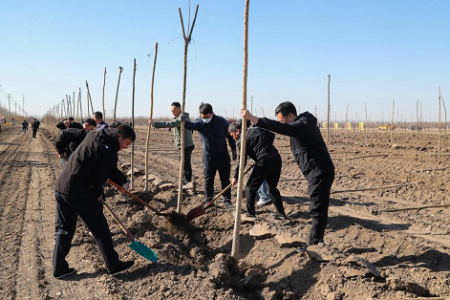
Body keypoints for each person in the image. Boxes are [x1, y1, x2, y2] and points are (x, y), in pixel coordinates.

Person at [241, 102, 335, 246]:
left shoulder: (302, 125)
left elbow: (279, 128)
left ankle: (315, 243)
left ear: (291, 116)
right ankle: (318, 240)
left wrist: (253, 118)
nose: (283, 125)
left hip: (319, 171)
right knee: (319, 207)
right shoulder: (300, 125)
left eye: (284, 121)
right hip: (318, 170)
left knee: (317, 208)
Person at [53, 125, 135, 278]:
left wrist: (60, 149)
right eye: (127, 143)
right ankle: (114, 265)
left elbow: (108, 170)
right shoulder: (110, 152)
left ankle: (59, 269)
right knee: (100, 228)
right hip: (79, 190)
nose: (125, 147)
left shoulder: (92, 135)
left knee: (64, 228)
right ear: (120, 135)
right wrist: (98, 193)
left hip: (62, 187)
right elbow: (100, 178)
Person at [181, 103, 237, 206]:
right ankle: (208, 201)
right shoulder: (199, 122)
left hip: (223, 155)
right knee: (208, 179)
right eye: (203, 117)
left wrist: (233, 149)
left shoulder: (221, 121)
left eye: (207, 117)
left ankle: (227, 200)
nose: (205, 119)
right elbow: (191, 126)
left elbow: (229, 136)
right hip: (209, 156)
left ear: (212, 113)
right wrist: (184, 121)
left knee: (225, 179)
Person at [229, 120, 287, 220]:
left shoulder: (241, 141)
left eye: (232, 135)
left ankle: (251, 214)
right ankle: (281, 213)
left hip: (264, 162)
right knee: (272, 187)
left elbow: (242, 162)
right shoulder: (256, 129)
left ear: (237, 131)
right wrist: (265, 149)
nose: (233, 137)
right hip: (276, 158)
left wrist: (236, 176)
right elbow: (271, 136)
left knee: (250, 188)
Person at [149, 102, 195, 188]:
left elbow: (169, 124)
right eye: (172, 111)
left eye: (174, 111)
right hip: (185, 145)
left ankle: (187, 183)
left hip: (185, 146)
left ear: (179, 108)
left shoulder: (181, 118)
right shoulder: (183, 117)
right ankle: (185, 183)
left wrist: (155, 124)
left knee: (185, 166)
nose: (173, 113)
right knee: (184, 165)